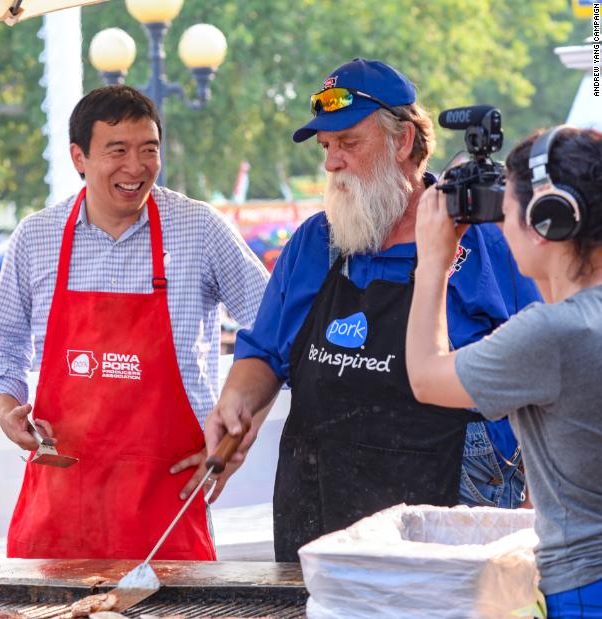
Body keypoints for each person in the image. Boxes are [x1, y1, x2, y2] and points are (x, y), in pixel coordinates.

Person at [204, 59, 540, 562]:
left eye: (348, 143)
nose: (332, 163)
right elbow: (265, 351)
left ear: (403, 142)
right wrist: (236, 400)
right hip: (321, 490)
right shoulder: (314, 243)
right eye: (325, 148)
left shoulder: (484, 239)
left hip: (451, 496)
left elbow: (538, 372)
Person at [0, 85, 269, 560]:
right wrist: (9, 410)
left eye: (149, 150)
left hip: (168, 503)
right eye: (117, 151)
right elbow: (2, 351)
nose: (136, 167)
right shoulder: (37, 236)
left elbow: (273, 331)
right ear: (79, 157)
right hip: (59, 508)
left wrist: (238, 433)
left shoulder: (199, 229)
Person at [407, 127, 602, 618]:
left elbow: (425, 377)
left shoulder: (553, 333)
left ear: (546, 220)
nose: (502, 227)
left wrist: (433, 261)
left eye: (506, 212)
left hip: (586, 583)